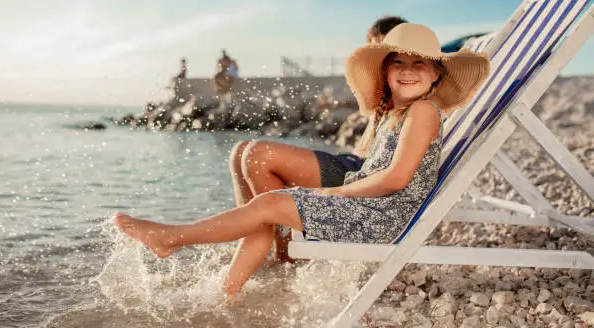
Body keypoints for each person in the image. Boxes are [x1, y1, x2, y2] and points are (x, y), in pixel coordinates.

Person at [115, 23, 490, 303]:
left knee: (268, 204)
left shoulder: (423, 110)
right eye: (399, 63)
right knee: (266, 206)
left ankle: (171, 239)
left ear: (438, 73)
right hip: (371, 205)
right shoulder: (400, 112)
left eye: (419, 64)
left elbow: (395, 179)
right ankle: (229, 291)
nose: (407, 70)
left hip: (384, 216)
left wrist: (334, 191)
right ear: (386, 71)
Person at [228, 16, 407, 263]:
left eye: (386, 47)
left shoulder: (411, 91)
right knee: (241, 150)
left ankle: (286, 257)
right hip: (352, 163)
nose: (380, 56)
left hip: (361, 175)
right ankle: (255, 246)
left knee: (258, 155)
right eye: (374, 49)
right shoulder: (385, 90)